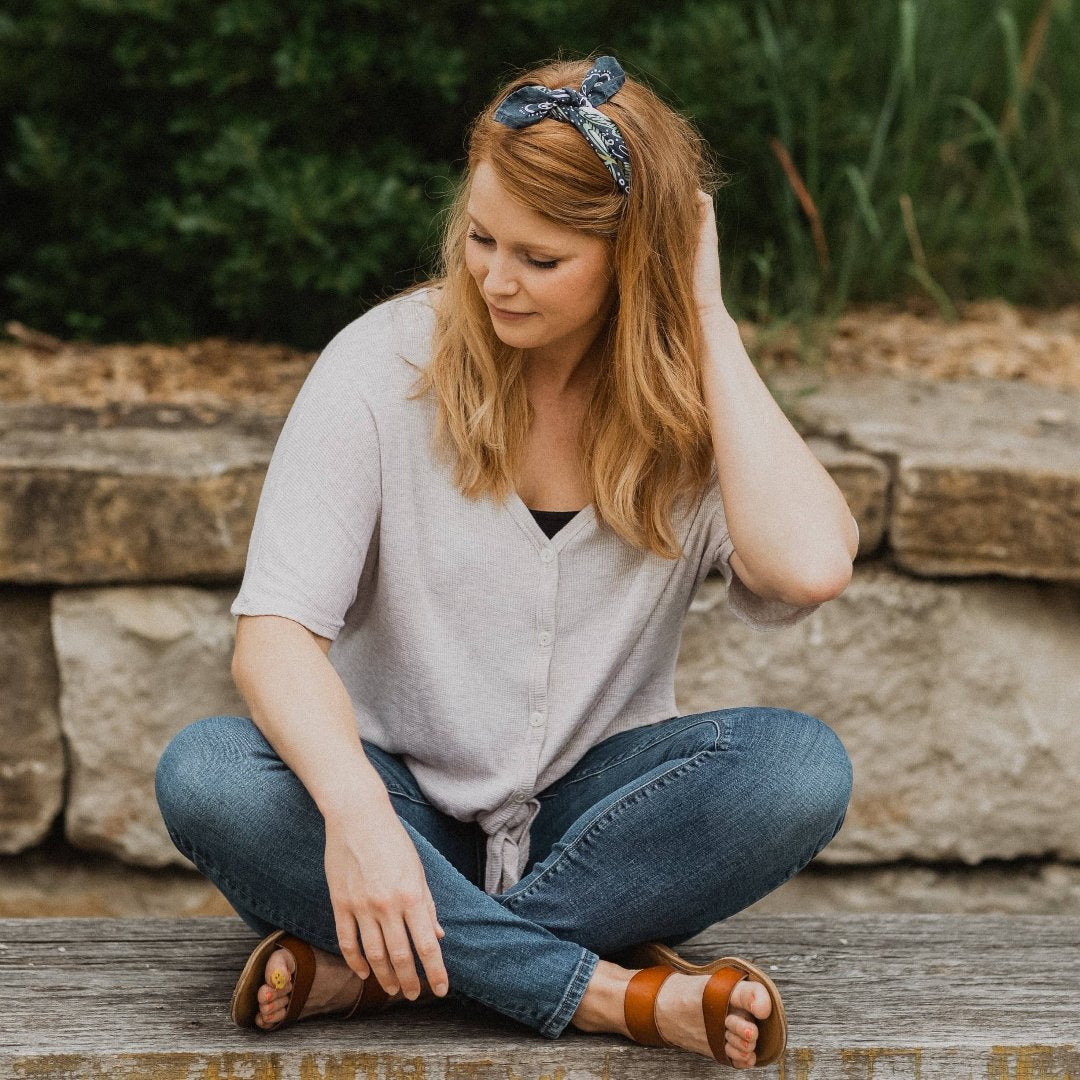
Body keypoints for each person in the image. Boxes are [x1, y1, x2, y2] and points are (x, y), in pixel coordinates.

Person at [154, 53, 857, 1069]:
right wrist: (355, 819)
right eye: (482, 239)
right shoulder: (383, 361)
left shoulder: (691, 408)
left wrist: (705, 318)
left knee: (799, 770)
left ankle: (386, 969)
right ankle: (605, 991)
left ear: (635, 259)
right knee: (211, 774)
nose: (493, 278)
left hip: (596, 820)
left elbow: (808, 568)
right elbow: (273, 642)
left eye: (540, 258)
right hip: (402, 811)